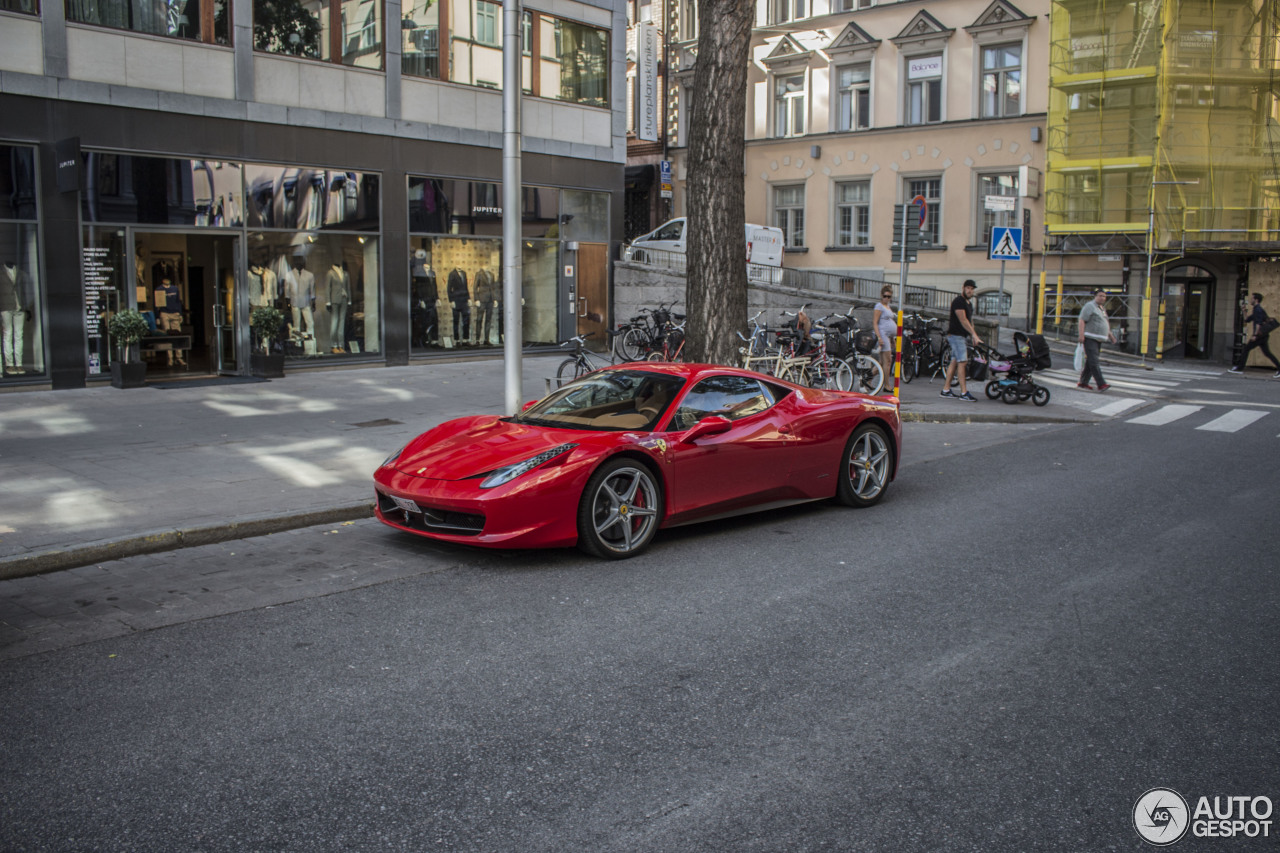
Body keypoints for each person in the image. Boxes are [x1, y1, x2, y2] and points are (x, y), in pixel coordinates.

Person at [940, 280, 980, 401]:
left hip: (961, 336)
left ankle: (946, 390)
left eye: (972, 289)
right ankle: (964, 393)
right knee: (963, 362)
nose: (970, 290)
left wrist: (974, 334)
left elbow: (969, 320)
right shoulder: (959, 301)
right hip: (956, 335)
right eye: (968, 288)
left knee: (954, 361)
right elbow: (963, 320)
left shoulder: (968, 303)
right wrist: (974, 335)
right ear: (963, 288)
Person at [1228, 292, 1280, 377]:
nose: (1250, 300)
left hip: (1259, 336)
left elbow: (1258, 324)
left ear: (1256, 300)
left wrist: (1255, 335)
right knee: (1267, 353)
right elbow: (1247, 319)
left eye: (1252, 298)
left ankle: (1240, 368)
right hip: (1263, 336)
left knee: (1246, 349)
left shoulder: (1258, 310)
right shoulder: (1256, 309)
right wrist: (1244, 310)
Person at [1077, 288, 1117, 391]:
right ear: (1095, 296)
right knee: (1094, 361)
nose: (1102, 298)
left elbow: (1106, 323)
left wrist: (1111, 336)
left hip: (1099, 339)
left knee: (1090, 362)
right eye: (1100, 296)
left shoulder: (1102, 308)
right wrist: (1081, 335)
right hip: (1090, 338)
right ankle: (1101, 384)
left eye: (1104, 296)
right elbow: (1082, 320)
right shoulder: (1090, 306)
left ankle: (1083, 382)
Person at [872, 286, 897, 382]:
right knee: (888, 361)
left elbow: (889, 323)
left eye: (889, 297)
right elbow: (875, 322)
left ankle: (867, 380)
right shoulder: (879, 306)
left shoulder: (888, 307)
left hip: (887, 336)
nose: (887, 298)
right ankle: (886, 385)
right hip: (882, 335)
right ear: (881, 295)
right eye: (885, 296)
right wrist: (879, 337)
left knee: (882, 362)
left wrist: (892, 339)